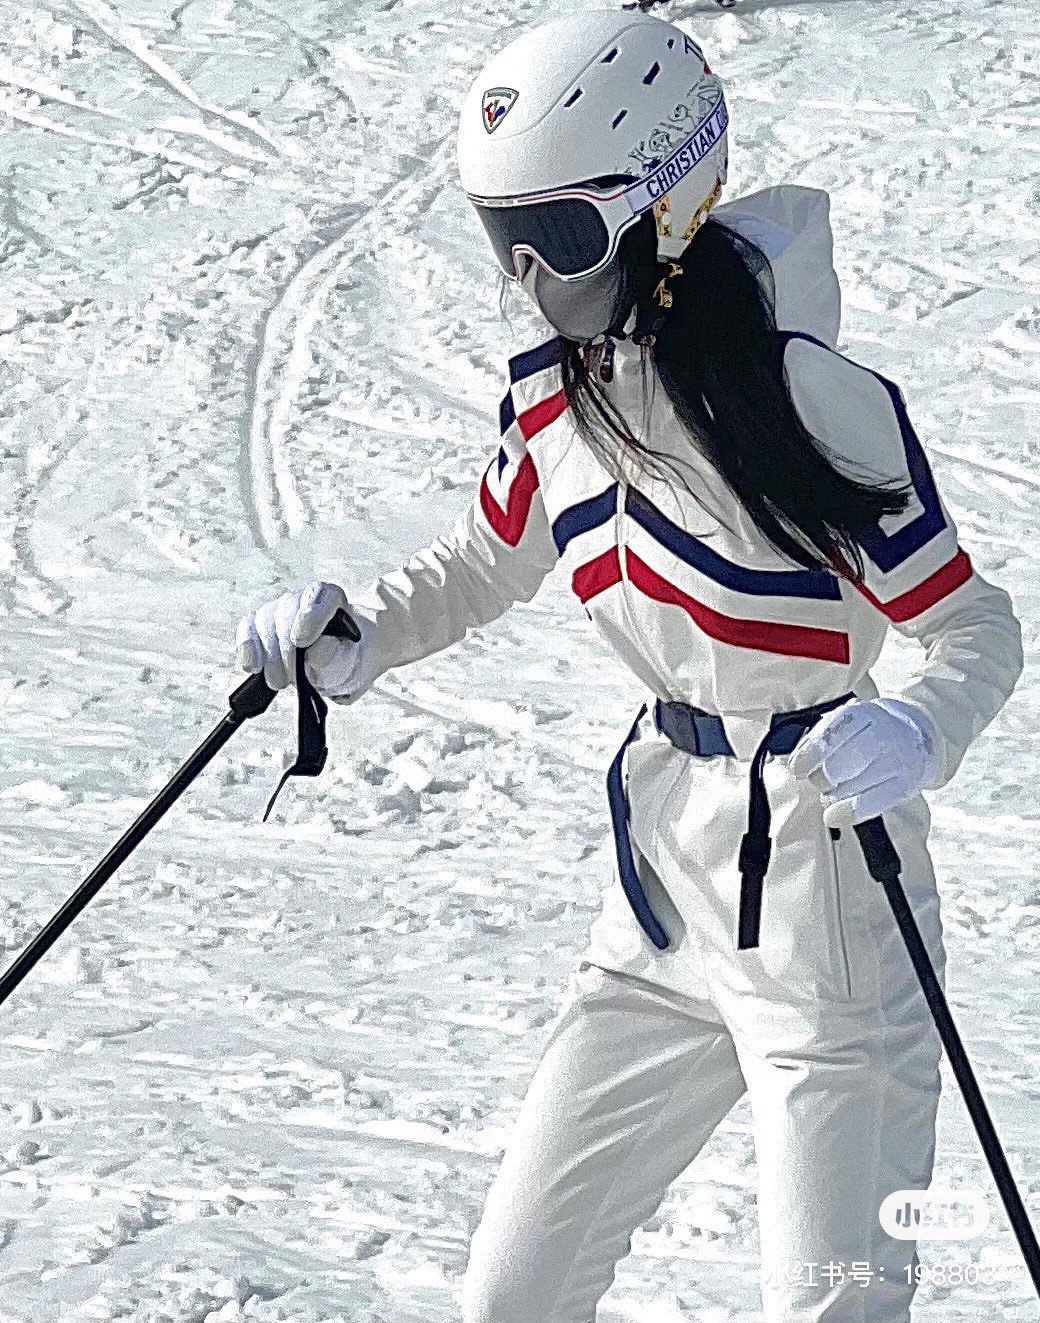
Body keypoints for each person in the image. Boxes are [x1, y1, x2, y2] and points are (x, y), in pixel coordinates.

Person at [235, 12, 1023, 1322]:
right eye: (505, 240)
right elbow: (485, 561)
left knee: (833, 1301)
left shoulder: (810, 400)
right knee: (514, 1294)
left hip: (826, 891)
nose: (532, 279)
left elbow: (973, 628)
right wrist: (352, 637)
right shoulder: (554, 394)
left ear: (666, 206)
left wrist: (919, 728)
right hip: (662, 885)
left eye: (562, 238)